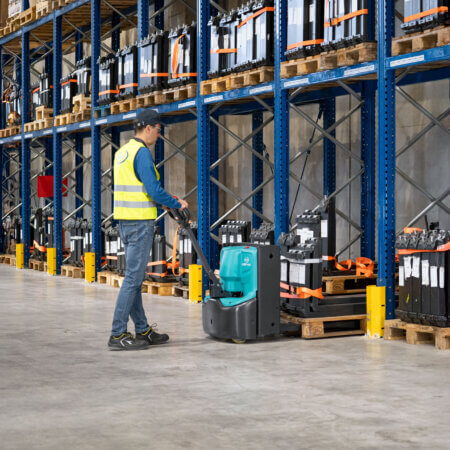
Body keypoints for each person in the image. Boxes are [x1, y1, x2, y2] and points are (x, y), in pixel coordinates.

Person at [108, 109, 188, 351]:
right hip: (140, 222)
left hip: (125, 221)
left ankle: (142, 329)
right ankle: (117, 333)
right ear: (148, 128)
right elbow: (153, 189)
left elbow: (136, 186)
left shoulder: (123, 152)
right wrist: (176, 203)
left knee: (133, 278)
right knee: (133, 280)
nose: (159, 135)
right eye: (158, 130)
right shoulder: (142, 153)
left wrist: (161, 200)